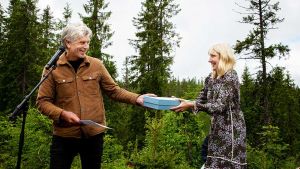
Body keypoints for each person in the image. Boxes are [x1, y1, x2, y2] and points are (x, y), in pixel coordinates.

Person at [36, 22, 154, 169]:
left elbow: (114, 91)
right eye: (82, 42)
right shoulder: (52, 68)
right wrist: (62, 114)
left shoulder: (96, 65)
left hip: (93, 136)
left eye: (88, 42)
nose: (86, 46)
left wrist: (137, 98)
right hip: (64, 136)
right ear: (68, 42)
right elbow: (42, 102)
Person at [171, 43, 247, 168]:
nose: (209, 60)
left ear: (223, 57)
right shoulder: (210, 78)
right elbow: (200, 100)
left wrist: (192, 104)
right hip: (216, 132)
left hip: (231, 134)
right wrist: (181, 101)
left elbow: (219, 106)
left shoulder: (231, 76)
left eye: (213, 56)